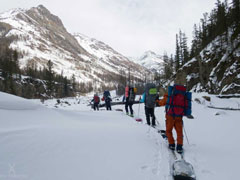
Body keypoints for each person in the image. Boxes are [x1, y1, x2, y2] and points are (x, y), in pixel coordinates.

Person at [158, 78, 191, 154]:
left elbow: (161, 103)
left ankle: (172, 144)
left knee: (169, 131)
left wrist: (158, 101)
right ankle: (179, 146)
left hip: (170, 116)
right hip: (179, 116)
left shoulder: (169, 95)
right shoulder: (183, 95)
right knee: (179, 132)